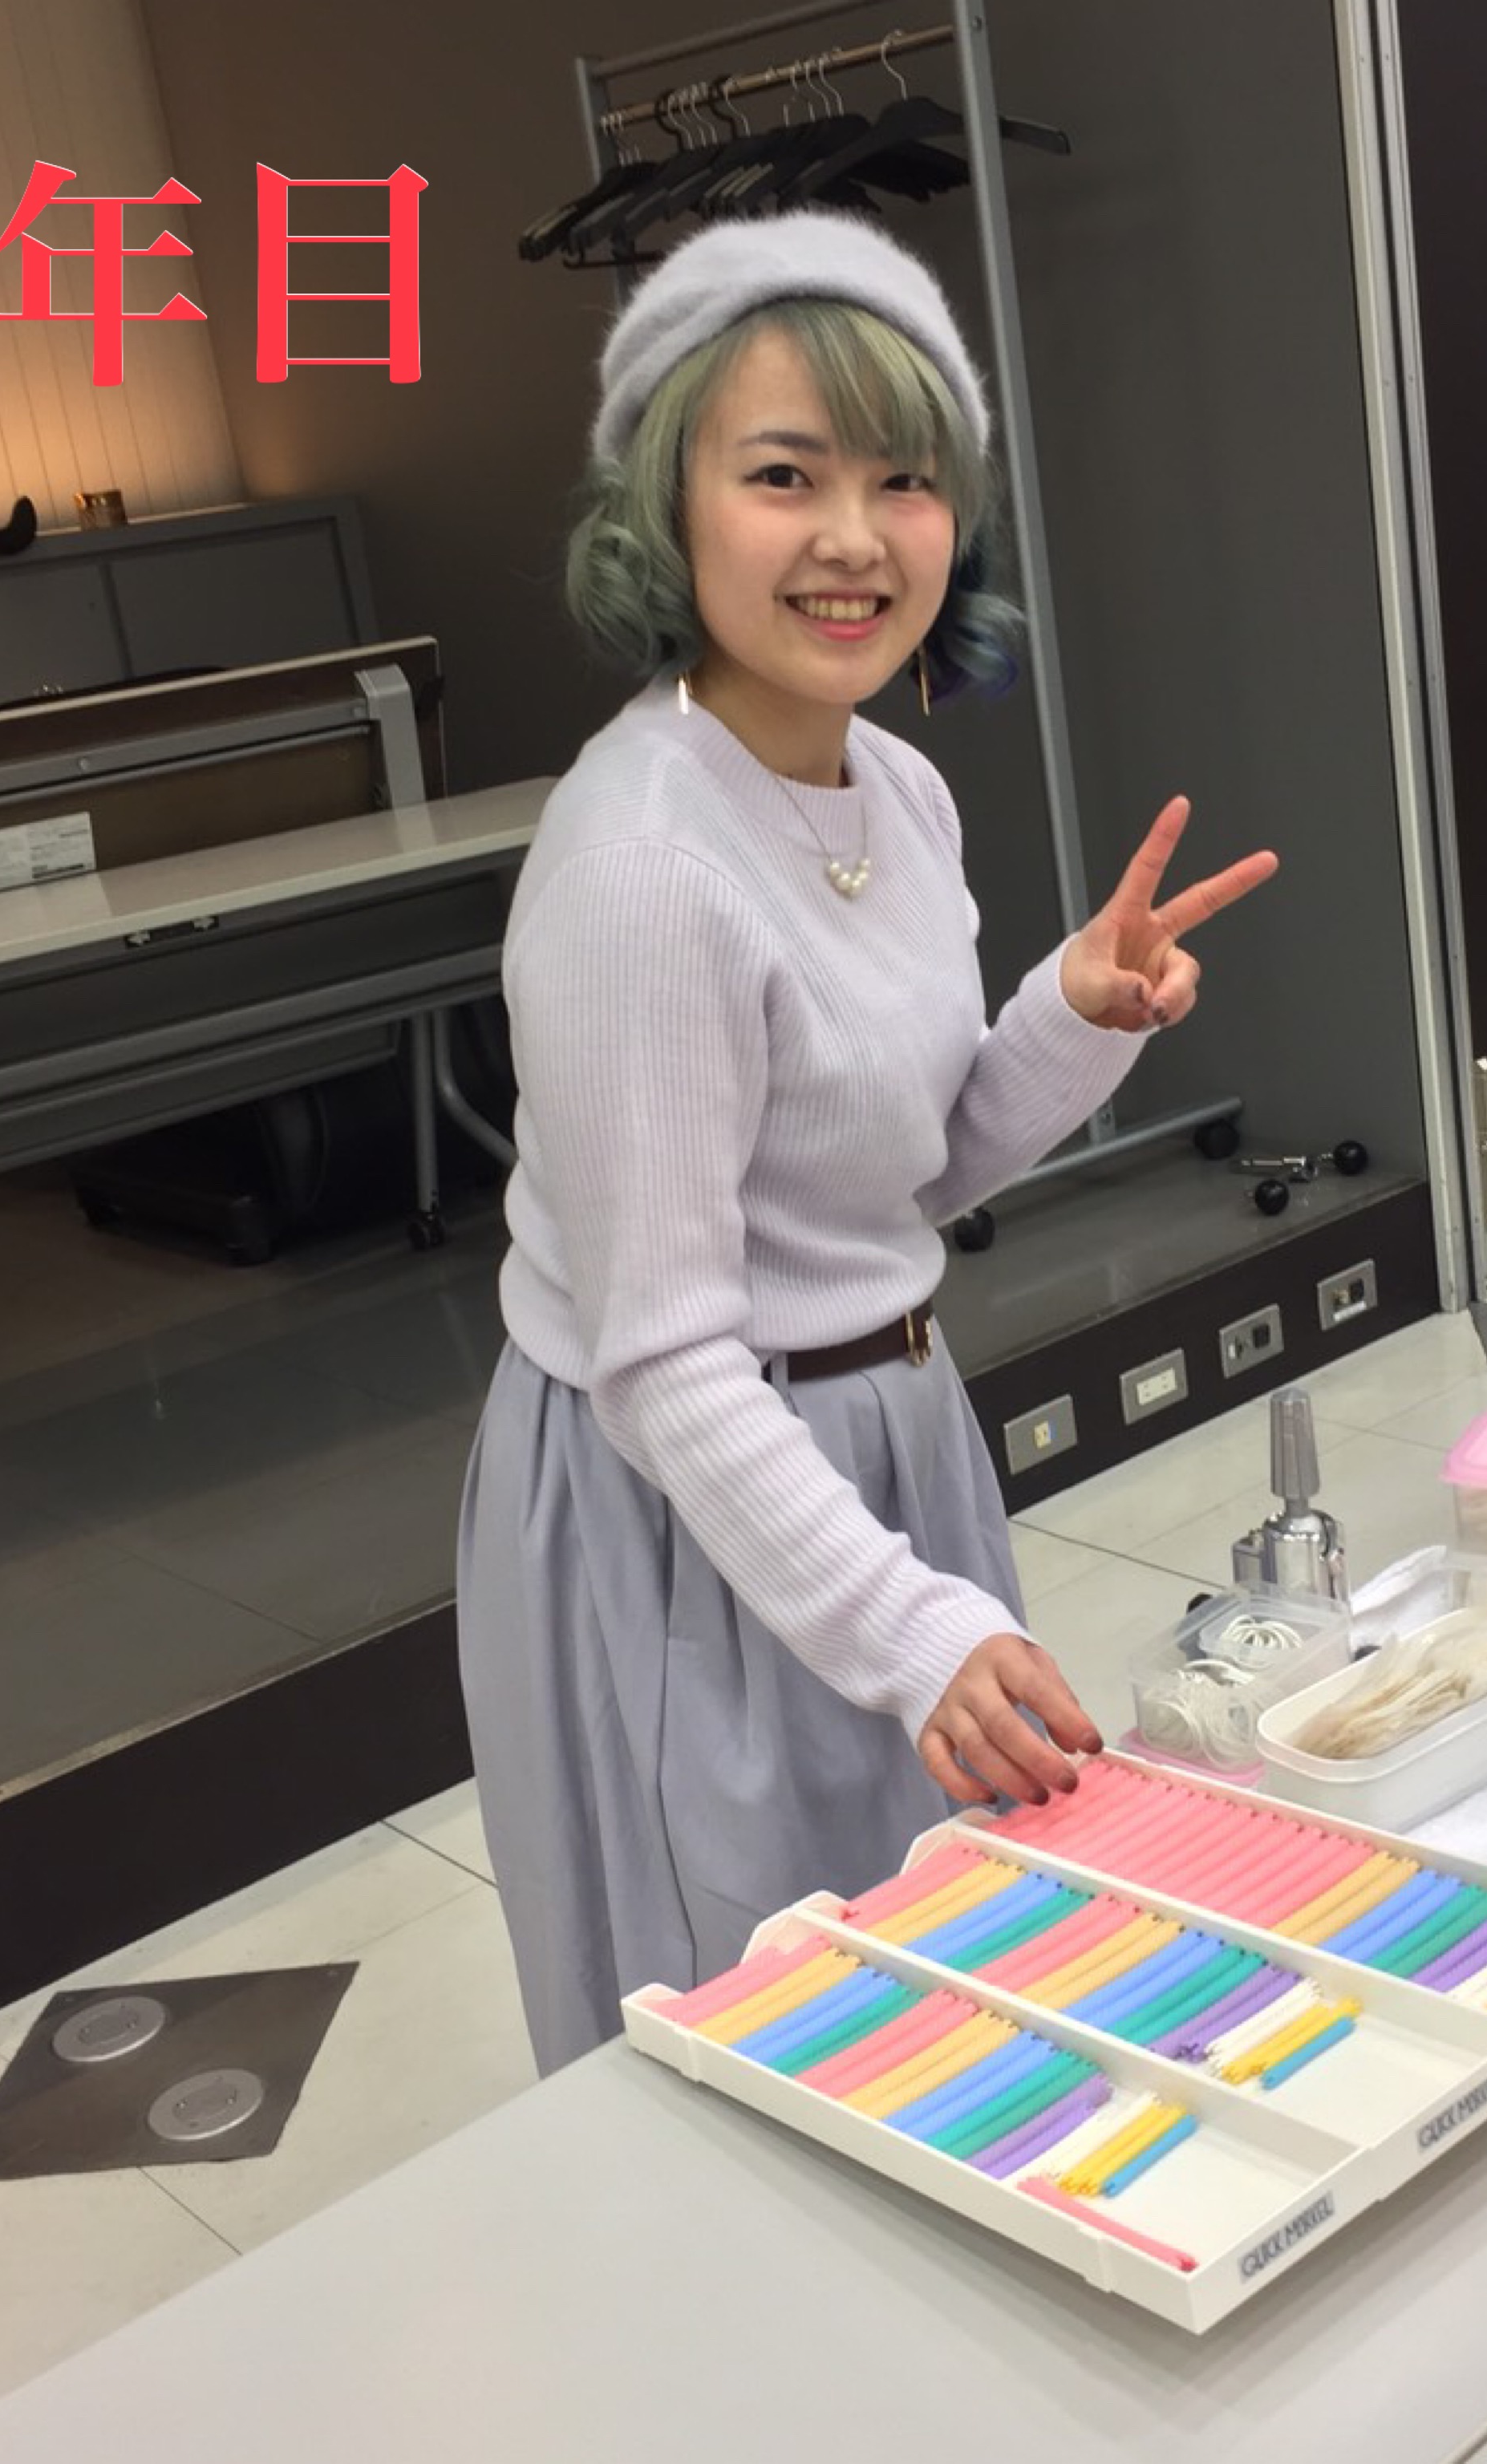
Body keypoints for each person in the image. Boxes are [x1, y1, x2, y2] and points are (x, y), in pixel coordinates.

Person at [458, 211, 1278, 2073]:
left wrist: (1075, 1012)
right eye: (782, 475)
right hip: (680, 1485)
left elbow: (900, 1182)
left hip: (890, 1425)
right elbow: (664, 1354)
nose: (852, 536)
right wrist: (909, 1632)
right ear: (667, 508)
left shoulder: (891, 786)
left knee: (944, 1975)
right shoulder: (642, 864)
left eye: (901, 479)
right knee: (753, 2014)